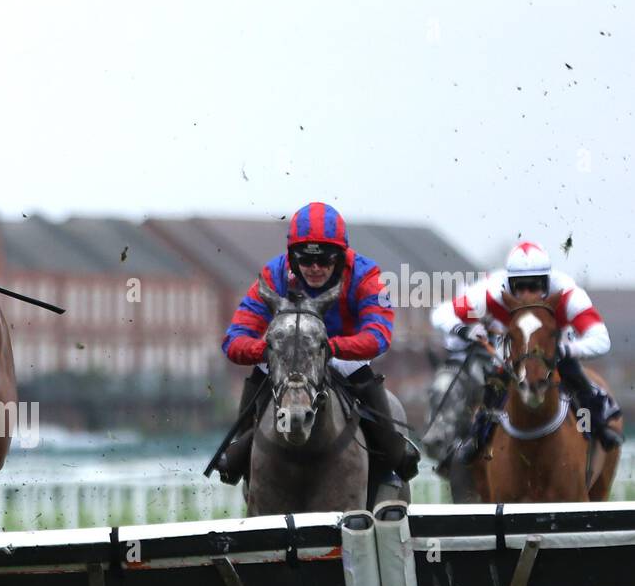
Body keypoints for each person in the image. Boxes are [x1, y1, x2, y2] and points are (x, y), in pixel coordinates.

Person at [216, 202, 420, 485]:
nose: (314, 268)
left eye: (325, 260)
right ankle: (241, 457)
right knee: (262, 371)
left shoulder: (366, 275)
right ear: (291, 256)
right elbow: (234, 338)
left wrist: (330, 348)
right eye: (305, 259)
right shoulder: (273, 274)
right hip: (287, 353)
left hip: (341, 353)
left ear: (341, 255)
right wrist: (269, 351)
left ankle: (392, 460)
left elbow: (378, 335)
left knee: (365, 387)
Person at [430, 240, 622, 460]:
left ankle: (597, 423)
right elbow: (441, 314)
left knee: (573, 374)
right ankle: (478, 436)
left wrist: (565, 350)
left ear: (546, 282)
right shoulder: (492, 291)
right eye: (520, 286)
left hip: (556, 345)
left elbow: (601, 339)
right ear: (509, 283)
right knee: (494, 383)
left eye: (535, 286)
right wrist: (464, 330)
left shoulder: (567, 293)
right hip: (515, 347)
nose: (527, 293)